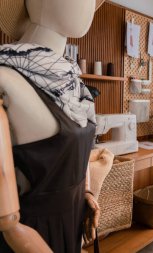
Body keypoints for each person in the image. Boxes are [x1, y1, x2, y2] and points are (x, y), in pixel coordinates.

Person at [0, 0, 105, 252]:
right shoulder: (5, 80)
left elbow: (75, 158)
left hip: (70, 227)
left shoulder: (73, 85)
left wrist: (86, 193)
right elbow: (9, 222)